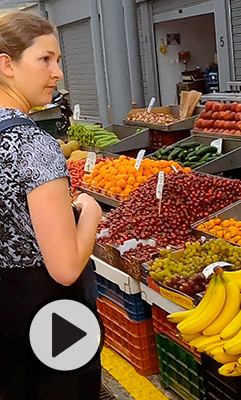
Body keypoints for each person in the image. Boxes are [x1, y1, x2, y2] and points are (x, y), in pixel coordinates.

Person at [0, 11, 102, 400]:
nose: (57, 72)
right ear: (7, 65)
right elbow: (64, 267)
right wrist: (90, 212)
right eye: (45, 59)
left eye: (58, 60)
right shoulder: (33, 145)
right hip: (48, 314)